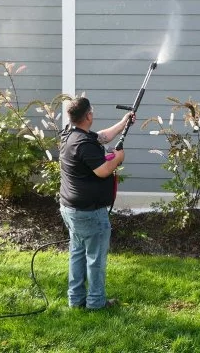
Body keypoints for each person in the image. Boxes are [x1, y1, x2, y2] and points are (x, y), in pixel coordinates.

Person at [58, 96, 134, 310]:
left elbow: (102, 137)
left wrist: (124, 122)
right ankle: (96, 303)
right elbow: (103, 171)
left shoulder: (70, 134)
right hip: (89, 213)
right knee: (96, 259)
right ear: (89, 115)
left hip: (71, 210)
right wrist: (118, 158)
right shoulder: (84, 144)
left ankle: (76, 300)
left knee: (77, 254)